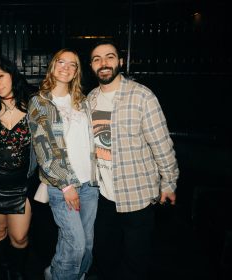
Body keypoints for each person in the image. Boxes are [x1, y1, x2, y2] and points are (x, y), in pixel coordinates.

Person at [87, 39, 179, 280]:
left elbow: (161, 144)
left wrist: (169, 182)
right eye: (97, 59)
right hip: (105, 196)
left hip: (137, 196)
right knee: (104, 255)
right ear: (91, 66)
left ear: (120, 61)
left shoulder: (142, 96)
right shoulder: (91, 99)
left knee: (135, 262)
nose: (103, 63)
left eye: (109, 57)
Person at [27, 49, 99, 280]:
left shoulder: (84, 102)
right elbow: (44, 149)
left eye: (73, 64)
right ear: (52, 66)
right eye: (61, 62)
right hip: (62, 185)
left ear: (77, 71)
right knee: (75, 244)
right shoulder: (40, 102)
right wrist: (66, 186)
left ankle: (68, 274)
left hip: (90, 184)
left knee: (86, 244)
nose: (66, 67)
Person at [0, 56, 37, 280]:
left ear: (13, 75)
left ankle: (19, 273)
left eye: (1, 76)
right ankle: (6, 272)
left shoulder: (33, 106)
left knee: (20, 237)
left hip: (21, 186)